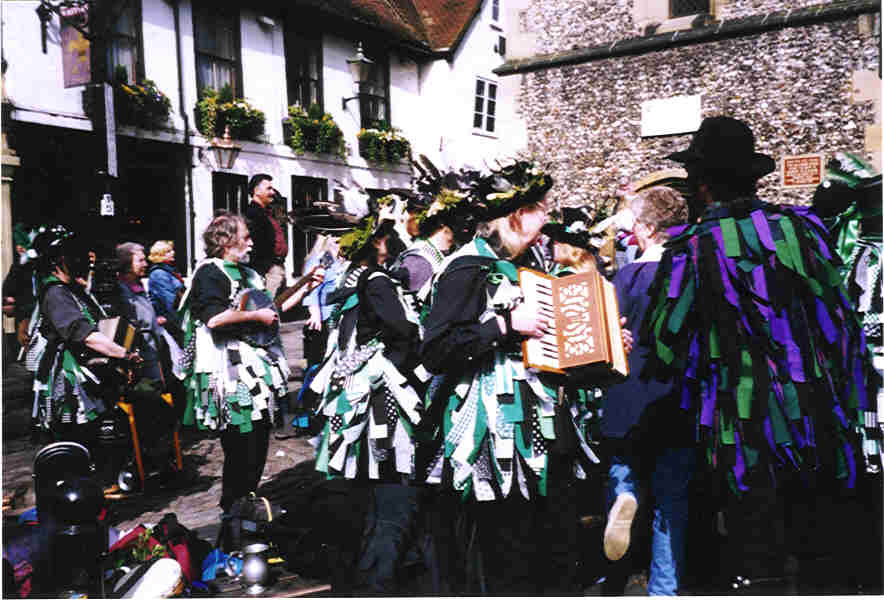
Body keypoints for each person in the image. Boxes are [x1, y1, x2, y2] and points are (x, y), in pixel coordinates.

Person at [642, 116, 877, 589]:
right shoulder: (803, 230)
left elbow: (665, 346)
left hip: (742, 436)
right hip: (818, 419)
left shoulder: (690, 250)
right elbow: (841, 323)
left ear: (702, 185)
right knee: (821, 554)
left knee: (759, 558)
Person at [418, 160, 632, 595]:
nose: (547, 220)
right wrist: (503, 326)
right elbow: (436, 351)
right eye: (541, 209)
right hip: (494, 446)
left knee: (551, 553)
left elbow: (552, 359)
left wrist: (608, 347)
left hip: (546, 436)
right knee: (507, 556)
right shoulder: (466, 267)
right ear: (517, 215)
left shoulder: (529, 267)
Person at [307, 195, 424, 594]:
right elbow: (402, 330)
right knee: (388, 480)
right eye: (387, 236)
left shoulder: (349, 280)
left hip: (354, 392)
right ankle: (379, 575)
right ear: (377, 243)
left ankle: (360, 569)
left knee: (360, 480)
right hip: (377, 395)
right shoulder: (376, 281)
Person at [596, 186, 695, 595]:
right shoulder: (691, 274)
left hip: (627, 396)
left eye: (636, 223)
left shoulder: (625, 277)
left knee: (624, 471)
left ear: (650, 229)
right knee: (671, 504)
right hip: (675, 398)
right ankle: (664, 589)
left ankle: (624, 498)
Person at [178, 211, 291, 514]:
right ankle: (234, 509)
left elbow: (273, 310)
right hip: (229, 371)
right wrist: (255, 315)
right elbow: (214, 318)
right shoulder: (209, 273)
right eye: (246, 237)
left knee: (259, 435)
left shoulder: (249, 274)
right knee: (242, 440)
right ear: (226, 241)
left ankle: (248, 501)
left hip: (255, 366)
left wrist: (307, 285)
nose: (252, 243)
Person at [29, 229, 139, 463]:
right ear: (59, 260)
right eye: (74, 254)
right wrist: (124, 354)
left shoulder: (70, 290)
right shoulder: (56, 293)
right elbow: (84, 335)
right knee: (76, 440)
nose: (84, 259)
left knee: (92, 438)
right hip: (68, 382)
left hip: (85, 377)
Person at [111, 243, 167, 385]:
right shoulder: (120, 291)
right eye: (140, 261)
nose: (145, 264)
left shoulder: (138, 285)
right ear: (126, 263)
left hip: (152, 352)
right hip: (139, 358)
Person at [245, 173, 288, 299]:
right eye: (268, 189)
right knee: (268, 305)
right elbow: (256, 245)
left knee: (278, 306)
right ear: (256, 191)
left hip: (276, 267)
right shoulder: (253, 214)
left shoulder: (266, 213)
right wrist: (266, 269)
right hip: (268, 270)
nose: (272, 192)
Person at [147, 240, 185, 336]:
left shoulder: (168, 270)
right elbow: (170, 300)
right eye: (168, 251)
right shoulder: (159, 273)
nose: (173, 252)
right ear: (160, 255)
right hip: (169, 321)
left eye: (172, 250)